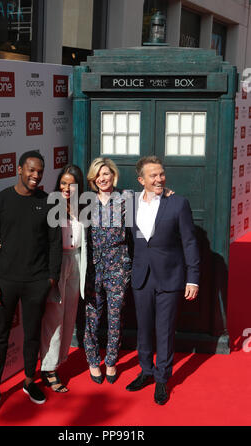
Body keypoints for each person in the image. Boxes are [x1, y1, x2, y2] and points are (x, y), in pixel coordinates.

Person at [0, 150, 62, 416]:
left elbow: (54, 243)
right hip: (4, 281)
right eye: (30, 170)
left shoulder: (49, 202)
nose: (35, 176)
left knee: (32, 335)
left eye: (40, 171)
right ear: (18, 169)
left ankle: (29, 381)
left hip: (37, 281)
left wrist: (51, 278)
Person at [126, 156, 200, 405]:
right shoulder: (130, 202)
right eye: (153, 176)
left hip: (171, 276)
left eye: (161, 174)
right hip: (141, 276)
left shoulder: (178, 203)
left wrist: (193, 278)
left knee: (165, 331)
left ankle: (161, 379)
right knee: (144, 329)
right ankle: (146, 371)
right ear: (141, 180)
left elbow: (190, 241)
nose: (159, 179)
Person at [83, 157, 132, 384]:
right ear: (93, 179)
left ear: (113, 175)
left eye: (106, 174)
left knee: (116, 316)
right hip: (93, 267)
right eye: (98, 175)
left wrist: (166, 192)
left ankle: (111, 361)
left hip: (118, 266)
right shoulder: (85, 201)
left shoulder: (126, 199)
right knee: (92, 316)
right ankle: (93, 361)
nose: (102, 178)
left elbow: (139, 226)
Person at [39, 164, 87, 392]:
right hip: (57, 264)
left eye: (72, 184)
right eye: (63, 183)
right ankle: (48, 369)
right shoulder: (50, 204)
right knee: (54, 317)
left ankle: (59, 361)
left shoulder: (84, 205)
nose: (67, 188)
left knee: (69, 315)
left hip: (77, 262)